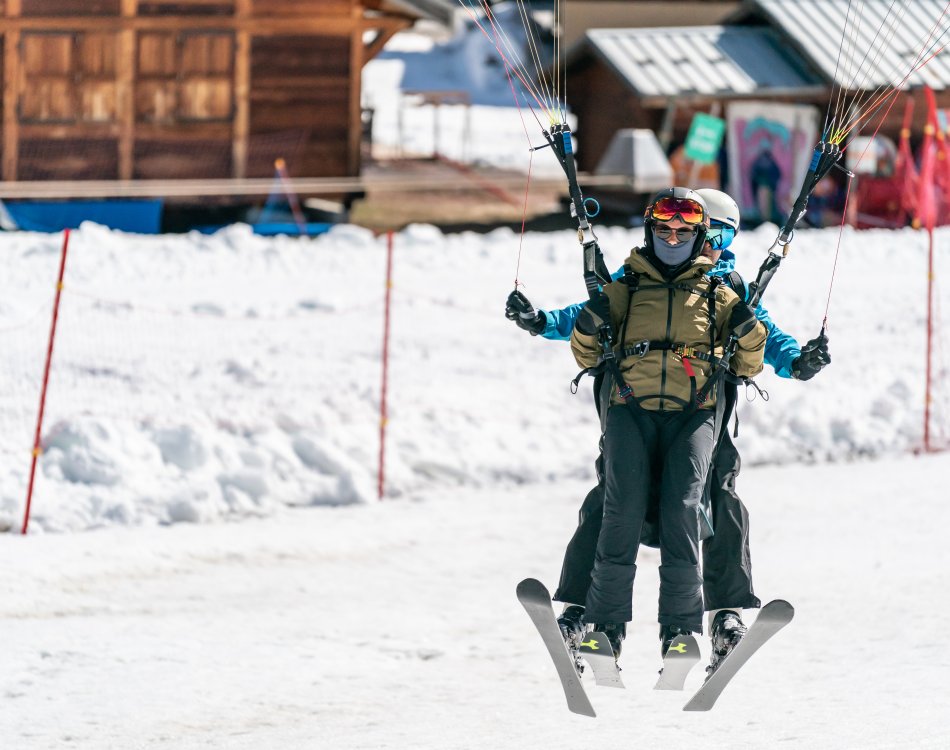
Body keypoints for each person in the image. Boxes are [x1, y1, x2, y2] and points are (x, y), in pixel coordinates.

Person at [506, 188, 829, 669]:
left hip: (702, 411)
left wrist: (797, 359)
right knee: (613, 500)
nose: (706, 244)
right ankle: (582, 610)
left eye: (719, 236)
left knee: (715, 499)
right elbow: (594, 313)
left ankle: (720, 615)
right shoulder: (644, 276)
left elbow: (763, 336)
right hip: (636, 408)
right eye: (706, 234)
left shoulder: (728, 287)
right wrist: (543, 321)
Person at [568, 187, 766, 662]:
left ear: (698, 236)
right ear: (650, 231)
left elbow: (748, 365)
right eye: (663, 229)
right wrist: (584, 327)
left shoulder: (718, 294)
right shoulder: (627, 287)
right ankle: (605, 630)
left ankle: (680, 631)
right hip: (630, 411)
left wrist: (749, 330)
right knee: (620, 508)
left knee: (684, 509)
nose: (672, 237)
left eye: (683, 230)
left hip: (692, 414)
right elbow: (586, 354)